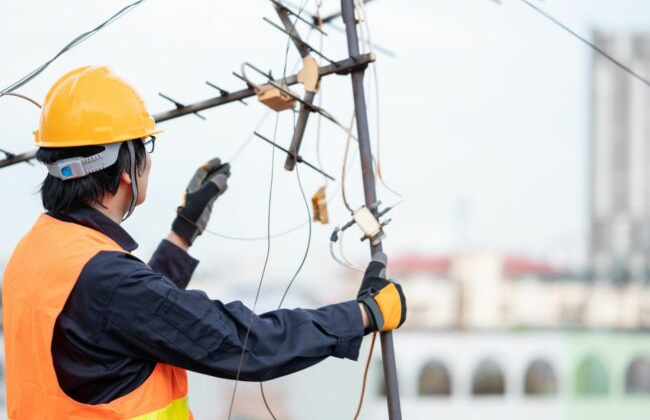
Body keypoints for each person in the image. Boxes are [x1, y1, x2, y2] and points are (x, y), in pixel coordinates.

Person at [1, 65, 406, 419]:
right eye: (144, 146)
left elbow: (118, 326)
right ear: (126, 167)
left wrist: (183, 233)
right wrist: (362, 315)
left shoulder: (35, 253)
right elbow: (244, 344)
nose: (149, 160)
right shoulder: (105, 279)